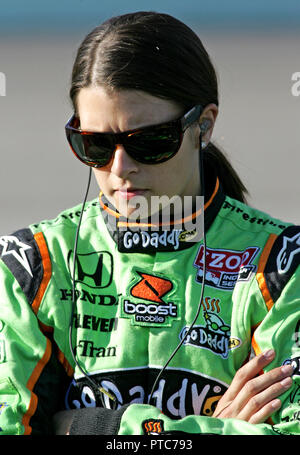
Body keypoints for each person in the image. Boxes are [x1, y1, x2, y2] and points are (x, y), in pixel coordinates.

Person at [0, 11, 299, 436]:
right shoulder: (32, 268)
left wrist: (88, 426)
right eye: (95, 144)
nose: (120, 168)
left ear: (204, 125)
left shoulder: (284, 266)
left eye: (150, 142)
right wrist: (210, 430)